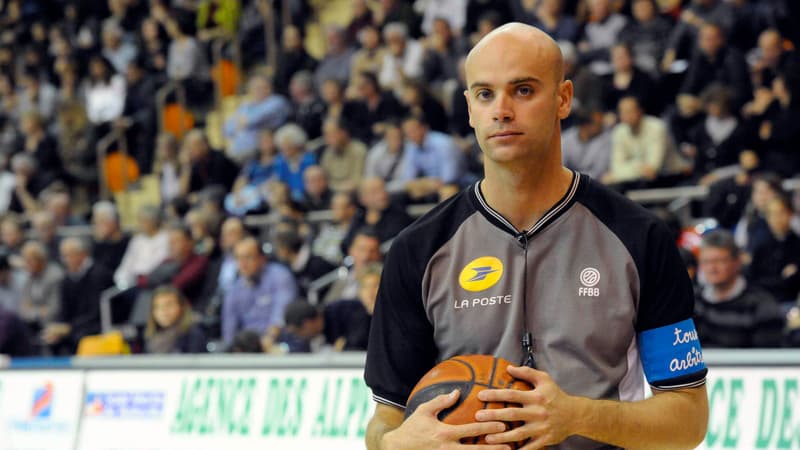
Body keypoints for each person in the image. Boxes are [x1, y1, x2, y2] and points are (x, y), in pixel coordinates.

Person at [365, 23, 708, 450]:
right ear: (470, 108)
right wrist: (396, 444)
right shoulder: (417, 250)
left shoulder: (639, 238)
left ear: (563, 98)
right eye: (485, 94)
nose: (502, 110)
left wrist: (577, 416)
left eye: (523, 90)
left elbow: (688, 418)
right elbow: (385, 418)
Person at [695, 229, 785, 347]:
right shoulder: (693, 303)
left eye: (719, 261)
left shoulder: (762, 305)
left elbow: (768, 357)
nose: (712, 268)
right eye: (706, 261)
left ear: (737, 262)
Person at [222, 237, 298, 344]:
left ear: (262, 259)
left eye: (248, 257)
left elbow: (281, 316)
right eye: (238, 258)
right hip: (248, 347)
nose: (242, 264)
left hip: (278, 343)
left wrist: (267, 341)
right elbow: (229, 328)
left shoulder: (280, 276)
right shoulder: (235, 288)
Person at [144, 285, 207, 354]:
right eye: (157, 306)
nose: (163, 311)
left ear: (182, 307)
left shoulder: (193, 335)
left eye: (169, 305)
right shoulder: (149, 337)